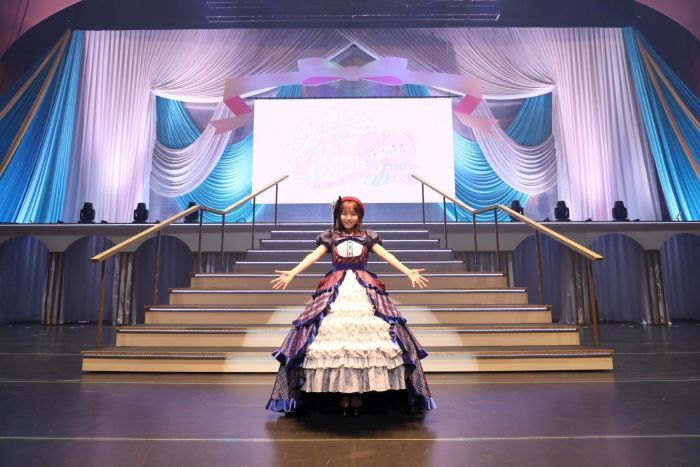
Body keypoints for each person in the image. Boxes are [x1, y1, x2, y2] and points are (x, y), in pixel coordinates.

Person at [266, 196, 436, 415]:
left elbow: (387, 256)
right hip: (336, 286)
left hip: (362, 287)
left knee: (368, 341)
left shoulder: (367, 237)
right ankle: (341, 393)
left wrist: (408, 271)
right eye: (344, 213)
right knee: (333, 340)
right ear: (338, 215)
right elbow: (313, 256)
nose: (348, 217)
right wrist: (292, 272)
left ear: (359, 216)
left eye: (353, 214)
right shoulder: (330, 237)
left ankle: (358, 393)